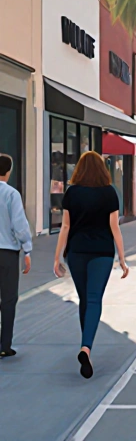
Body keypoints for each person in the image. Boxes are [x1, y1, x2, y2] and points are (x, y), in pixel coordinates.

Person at [51, 151, 129, 378]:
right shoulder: (109, 192)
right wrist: (122, 258)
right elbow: (115, 227)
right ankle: (86, 347)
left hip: (76, 252)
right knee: (94, 299)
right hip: (102, 252)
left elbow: (65, 226)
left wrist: (56, 257)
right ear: (102, 170)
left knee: (84, 299)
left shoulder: (72, 192)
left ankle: (85, 345)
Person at [0, 153, 32, 360]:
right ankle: (4, 345)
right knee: (8, 299)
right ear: (8, 171)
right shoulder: (11, 194)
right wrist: (27, 249)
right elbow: (19, 225)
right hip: (7, 253)